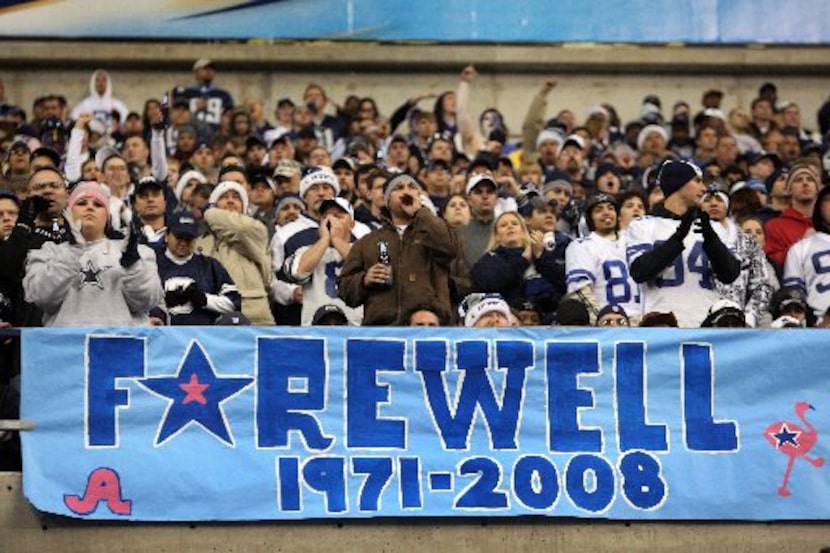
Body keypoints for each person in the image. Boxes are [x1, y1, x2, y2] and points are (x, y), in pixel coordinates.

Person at [23, 182, 162, 326]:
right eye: (82, 203)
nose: (90, 207)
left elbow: (147, 302)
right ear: (68, 213)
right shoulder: (47, 252)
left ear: (107, 217)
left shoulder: (139, 252)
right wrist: (71, 252)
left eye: (98, 205)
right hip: (67, 346)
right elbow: (41, 298)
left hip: (120, 345)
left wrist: (133, 265)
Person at [627, 160, 741, 327]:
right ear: (677, 184)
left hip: (706, 324)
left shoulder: (714, 227)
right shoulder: (643, 225)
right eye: (697, 181)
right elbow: (639, 272)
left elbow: (730, 274)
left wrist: (711, 239)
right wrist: (677, 239)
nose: (704, 188)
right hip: (661, 325)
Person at [338, 173, 459, 325]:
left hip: (428, 327)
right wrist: (364, 280)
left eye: (412, 187)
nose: (406, 191)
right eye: (399, 188)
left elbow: (451, 248)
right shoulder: (367, 242)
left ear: (419, 196)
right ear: (387, 199)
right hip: (382, 329)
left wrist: (420, 213)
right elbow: (345, 290)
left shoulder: (434, 231)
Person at [196, 180, 275, 325]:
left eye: (236, 197)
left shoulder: (256, 229)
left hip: (253, 313)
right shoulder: (199, 242)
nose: (231, 200)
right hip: (210, 315)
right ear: (215, 203)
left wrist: (209, 211)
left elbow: (238, 229)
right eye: (224, 197)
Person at [699, 186, 772, 327]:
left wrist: (750, 317)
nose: (713, 204)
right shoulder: (689, 238)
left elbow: (763, 284)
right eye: (707, 199)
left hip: (737, 323)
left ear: (727, 205)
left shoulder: (747, 241)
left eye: (719, 199)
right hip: (698, 320)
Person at [471, 210, 563, 322]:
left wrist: (540, 256)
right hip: (506, 320)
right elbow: (491, 283)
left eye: (515, 224)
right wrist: (523, 260)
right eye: (503, 225)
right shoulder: (489, 259)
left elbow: (561, 283)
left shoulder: (540, 256)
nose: (510, 226)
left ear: (524, 231)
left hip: (543, 319)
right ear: (497, 236)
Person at [286, 197, 363, 326]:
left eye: (338, 216)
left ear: (352, 224)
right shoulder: (306, 250)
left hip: (354, 328)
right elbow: (297, 272)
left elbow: (366, 266)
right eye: (325, 217)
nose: (330, 221)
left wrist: (337, 240)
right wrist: (324, 240)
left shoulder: (364, 248)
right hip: (314, 329)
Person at [156, 211, 241, 325]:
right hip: (163, 337)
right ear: (167, 235)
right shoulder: (152, 264)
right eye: (179, 237)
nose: (183, 243)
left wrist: (204, 299)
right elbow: (137, 302)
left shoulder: (210, 266)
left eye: (188, 238)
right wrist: (162, 301)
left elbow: (234, 303)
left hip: (203, 337)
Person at [566, 193, 639, 324]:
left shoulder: (634, 241)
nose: (606, 213)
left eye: (610, 208)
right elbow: (581, 291)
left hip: (641, 321)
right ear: (590, 219)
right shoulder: (582, 246)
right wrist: (603, 319)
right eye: (599, 210)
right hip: (608, 323)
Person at [783, 185, 830, 322]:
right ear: (819, 208)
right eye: (828, 200)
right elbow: (794, 294)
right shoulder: (800, 248)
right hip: (817, 326)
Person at [764, 162, 821, 271]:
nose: (805, 183)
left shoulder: (826, 222)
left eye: (810, 179)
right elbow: (773, 263)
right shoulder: (775, 226)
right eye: (798, 180)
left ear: (817, 188)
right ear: (788, 189)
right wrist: (801, 245)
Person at [70, 69, 129, 136]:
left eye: (104, 80)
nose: (101, 83)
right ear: (93, 83)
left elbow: (125, 121)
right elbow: (75, 119)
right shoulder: (85, 104)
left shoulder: (118, 104)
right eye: (97, 80)